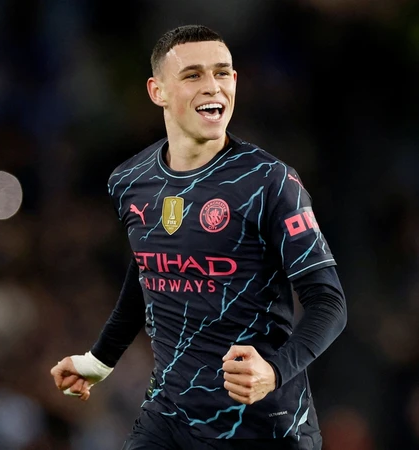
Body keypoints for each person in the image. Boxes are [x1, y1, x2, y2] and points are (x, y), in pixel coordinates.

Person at [50, 24, 347, 450]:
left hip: (260, 425)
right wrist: (99, 360)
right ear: (158, 91)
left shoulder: (270, 182)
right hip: (169, 419)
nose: (213, 86)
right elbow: (147, 272)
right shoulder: (130, 181)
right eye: (193, 75)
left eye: (222, 72)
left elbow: (329, 302)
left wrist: (275, 371)